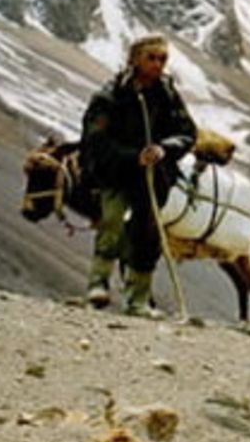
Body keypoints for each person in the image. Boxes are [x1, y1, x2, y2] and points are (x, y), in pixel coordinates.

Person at [79, 35, 197, 316]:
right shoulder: (110, 96)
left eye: (162, 59)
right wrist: (133, 157)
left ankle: (138, 299)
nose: (158, 65)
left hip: (154, 176)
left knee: (147, 234)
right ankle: (98, 283)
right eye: (151, 58)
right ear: (134, 59)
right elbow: (96, 139)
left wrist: (164, 150)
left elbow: (187, 133)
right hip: (116, 172)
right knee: (112, 222)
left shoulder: (167, 95)